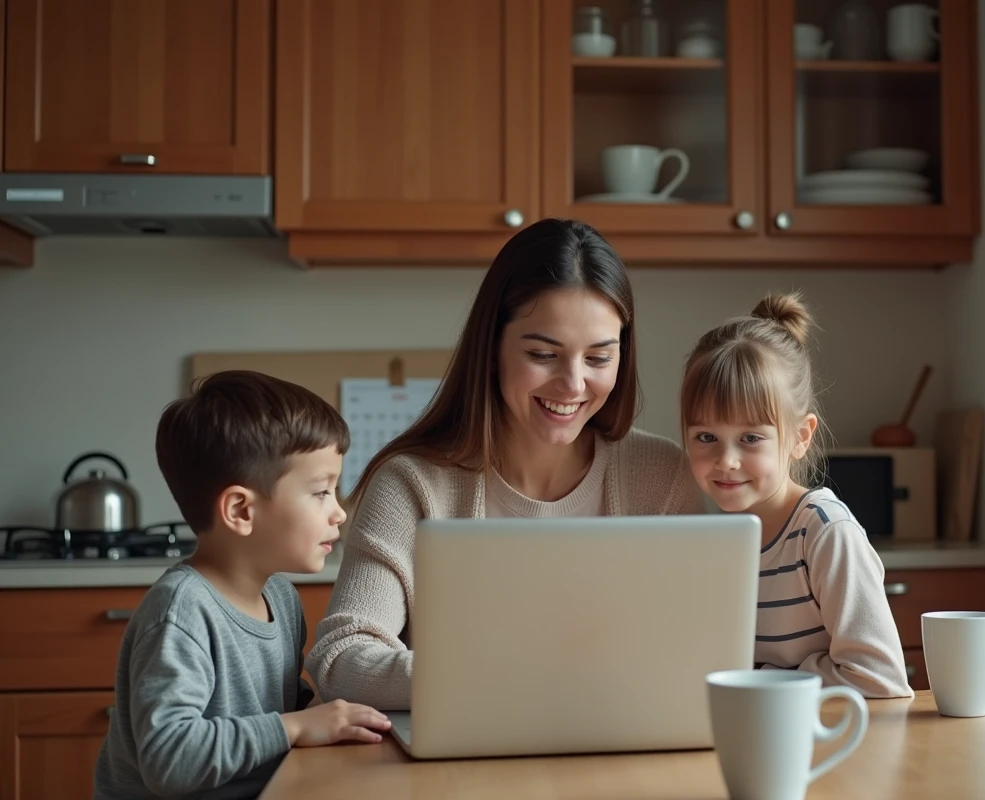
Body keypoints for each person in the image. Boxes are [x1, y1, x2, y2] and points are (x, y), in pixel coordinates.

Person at [305, 218, 706, 710]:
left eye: (599, 358)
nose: (573, 384)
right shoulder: (411, 484)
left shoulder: (664, 475)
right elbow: (341, 660)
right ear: (492, 348)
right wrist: (510, 677)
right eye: (543, 354)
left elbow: (696, 649)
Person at [93, 371, 392, 800]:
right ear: (240, 511)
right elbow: (170, 761)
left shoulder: (281, 598)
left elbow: (282, 708)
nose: (339, 512)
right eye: (320, 492)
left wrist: (334, 714)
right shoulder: (181, 615)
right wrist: (295, 726)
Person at [679, 291, 912, 698]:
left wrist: (762, 679)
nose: (726, 461)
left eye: (751, 438)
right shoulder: (716, 540)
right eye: (706, 437)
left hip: (826, 733)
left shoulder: (824, 532)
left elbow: (880, 677)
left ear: (800, 437)